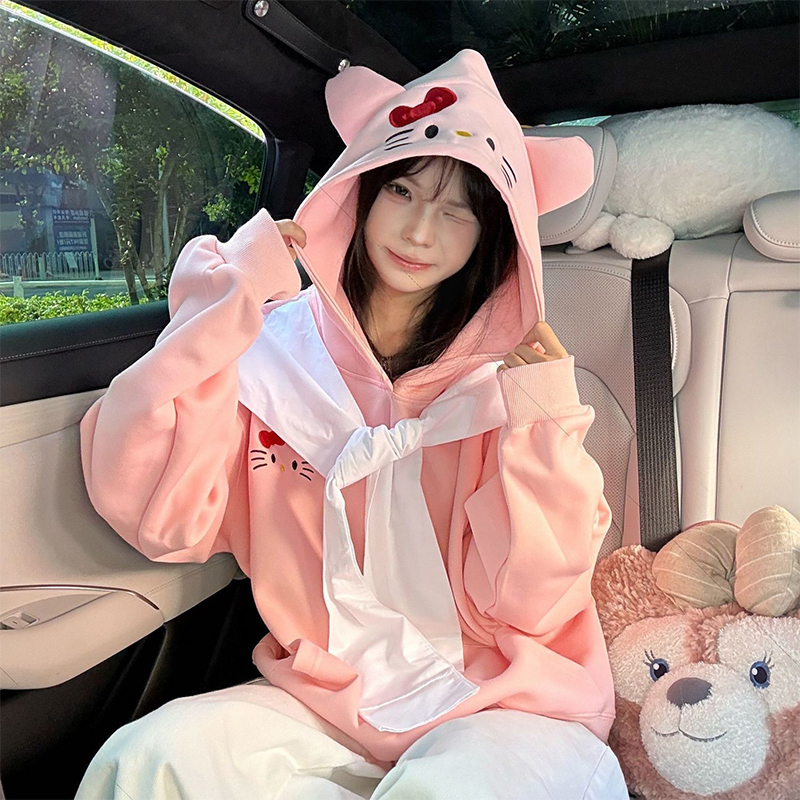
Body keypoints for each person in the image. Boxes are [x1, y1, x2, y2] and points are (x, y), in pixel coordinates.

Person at [75, 49, 629, 799]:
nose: (421, 231)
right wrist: (226, 305)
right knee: (150, 759)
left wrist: (546, 428)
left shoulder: (506, 389)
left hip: (508, 703)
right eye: (402, 188)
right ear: (362, 188)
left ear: (492, 233)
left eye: (459, 209)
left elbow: (530, 602)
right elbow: (161, 519)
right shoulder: (272, 360)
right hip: (330, 697)